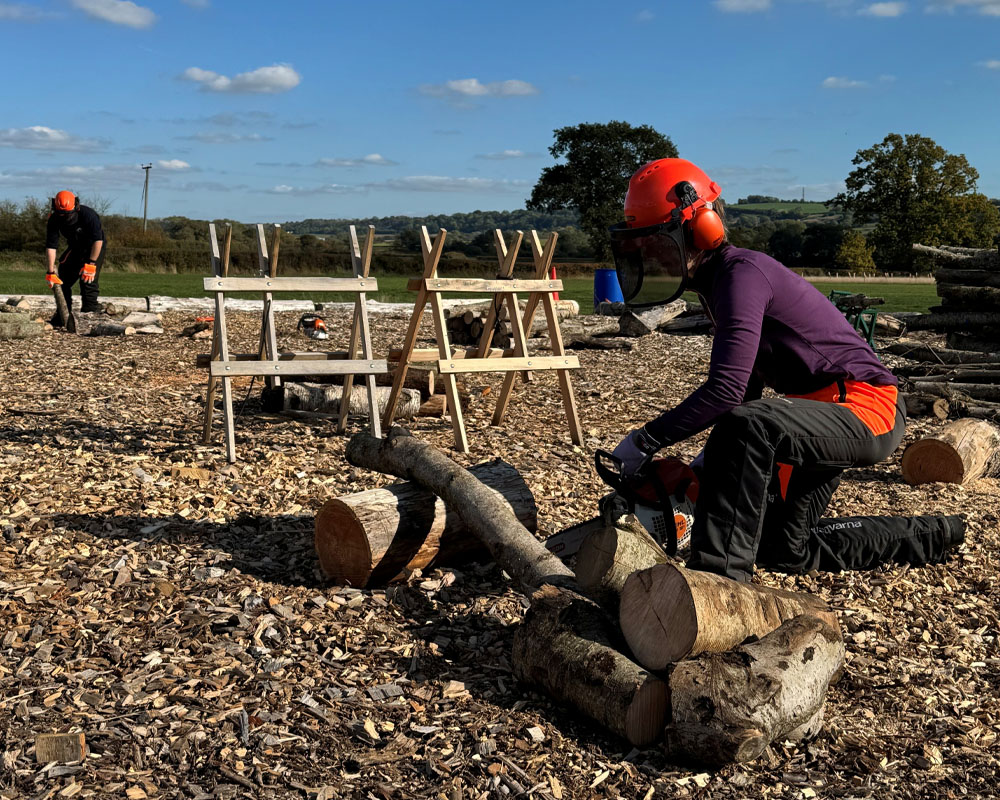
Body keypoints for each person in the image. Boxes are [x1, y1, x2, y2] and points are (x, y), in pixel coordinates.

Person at [608, 158, 963, 583]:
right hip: (820, 413)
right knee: (782, 548)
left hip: (865, 406)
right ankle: (934, 534)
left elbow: (725, 393)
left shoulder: (741, 275)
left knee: (747, 428)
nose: (653, 257)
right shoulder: (718, 284)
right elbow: (745, 388)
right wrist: (706, 465)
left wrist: (644, 440)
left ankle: (717, 580)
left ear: (700, 226)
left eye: (658, 244)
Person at [45, 190, 106, 320]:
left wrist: (91, 263)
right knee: (63, 278)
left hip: (94, 247)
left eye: (67, 214)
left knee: (88, 280)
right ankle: (63, 314)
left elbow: (98, 240)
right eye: (61, 214)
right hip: (75, 246)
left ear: (76, 207)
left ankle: (89, 314)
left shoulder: (88, 215)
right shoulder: (54, 219)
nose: (65, 218)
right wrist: (50, 271)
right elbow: (51, 246)